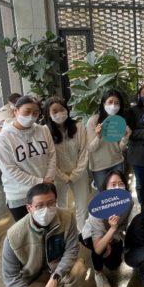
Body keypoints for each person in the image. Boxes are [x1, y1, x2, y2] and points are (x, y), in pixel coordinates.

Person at [1, 183, 85, 287]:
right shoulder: (13, 237)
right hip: (32, 279)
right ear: (29, 208)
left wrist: (55, 279)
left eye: (51, 203)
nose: (46, 210)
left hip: (58, 271)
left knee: (78, 269)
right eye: (39, 206)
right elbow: (10, 277)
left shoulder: (67, 218)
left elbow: (72, 250)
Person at [0, 95, 56, 221]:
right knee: (26, 230)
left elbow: (52, 156)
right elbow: (11, 171)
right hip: (20, 195)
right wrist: (40, 181)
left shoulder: (43, 130)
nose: (31, 116)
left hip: (45, 190)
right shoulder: (3, 140)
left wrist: (48, 179)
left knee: (50, 226)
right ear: (15, 111)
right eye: (27, 111)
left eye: (35, 113)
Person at [80, 170, 133, 287]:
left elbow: (123, 224)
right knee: (101, 251)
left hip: (114, 234)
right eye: (113, 184)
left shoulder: (128, 202)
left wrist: (115, 236)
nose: (117, 187)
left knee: (114, 265)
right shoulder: (97, 209)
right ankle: (98, 272)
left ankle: (110, 250)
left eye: (121, 183)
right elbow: (98, 248)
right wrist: (111, 232)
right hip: (92, 234)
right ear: (105, 189)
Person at [44, 96, 90, 229]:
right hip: (57, 177)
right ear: (48, 114)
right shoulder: (45, 131)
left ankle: (82, 233)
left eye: (62, 109)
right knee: (60, 207)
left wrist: (75, 174)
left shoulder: (79, 126)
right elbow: (48, 158)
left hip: (79, 174)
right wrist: (63, 176)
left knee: (82, 206)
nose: (59, 113)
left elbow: (84, 152)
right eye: (54, 111)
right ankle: (65, 232)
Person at [86, 89, 132, 191]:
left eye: (117, 103)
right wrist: (98, 137)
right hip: (99, 167)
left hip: (117, 163)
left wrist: (126, 137)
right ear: (103, 104)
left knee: (118, 195)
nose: (113, 106)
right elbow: (90, 148)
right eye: (110, 102)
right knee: (104, 196)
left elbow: (120, 148)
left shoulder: (119, 121)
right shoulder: (93, 121)